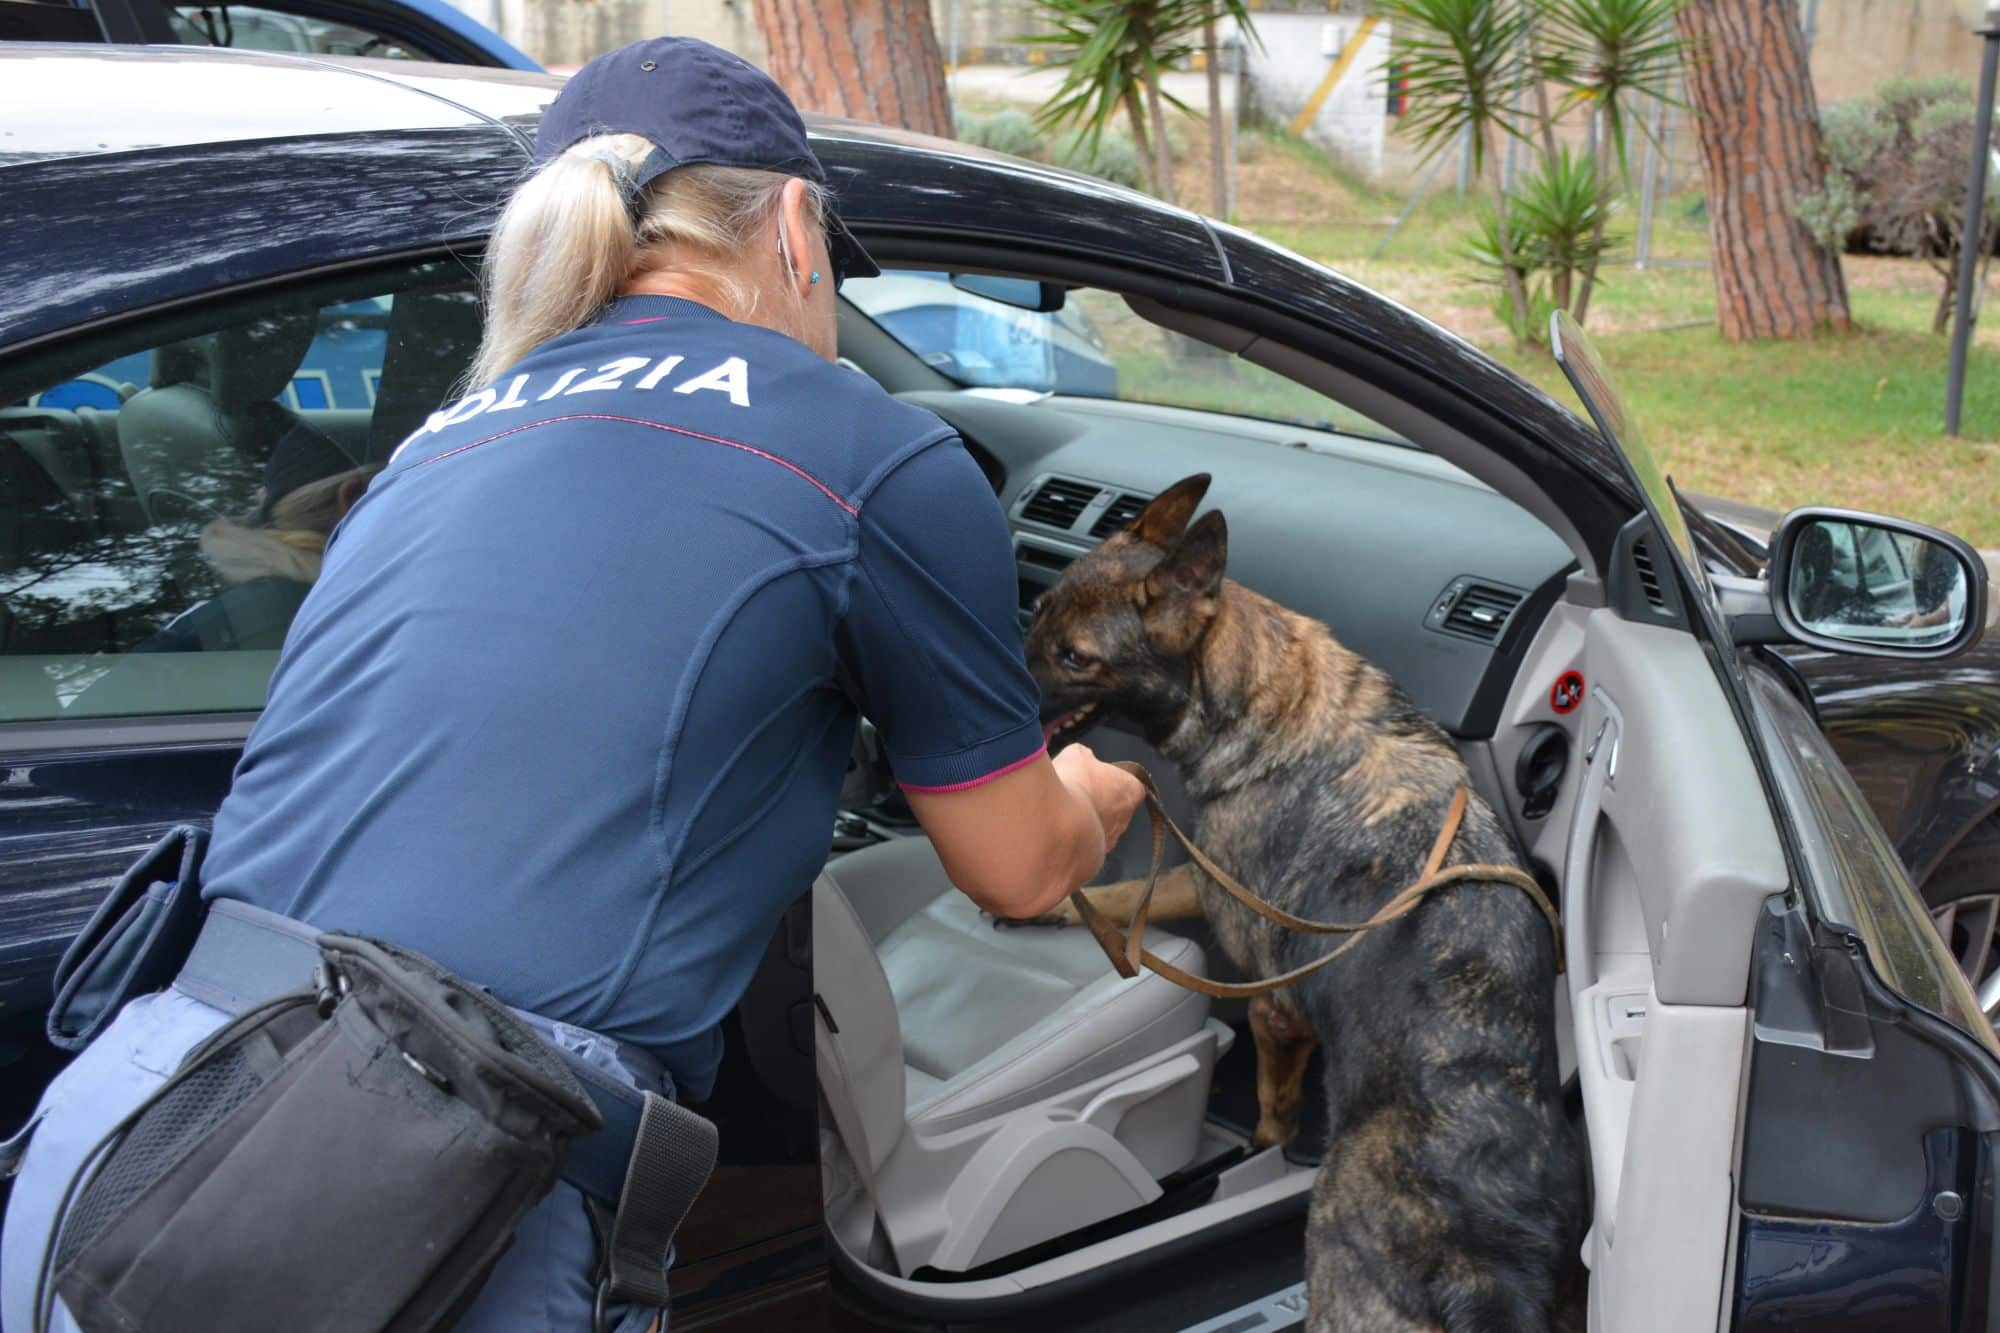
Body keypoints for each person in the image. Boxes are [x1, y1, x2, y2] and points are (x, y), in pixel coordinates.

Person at [0, 36, 1143, 1333]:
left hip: (138, 1120)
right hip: (418, 1197)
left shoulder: (439, 438)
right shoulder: (866, 446)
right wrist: (1095, 792)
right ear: (794, 230)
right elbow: (1015, 867)